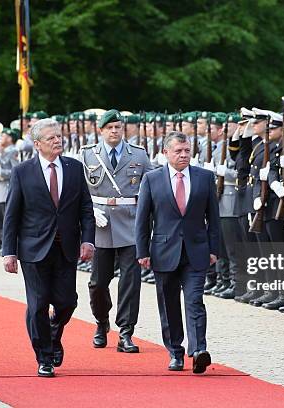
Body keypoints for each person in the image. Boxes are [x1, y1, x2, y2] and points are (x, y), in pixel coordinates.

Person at [2, 118, 95, 378]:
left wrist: (88, 240)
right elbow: (12, 214)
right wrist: (9, 251)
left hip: (66, 248)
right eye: (51, 137)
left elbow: (86, 209)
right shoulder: (23, 171)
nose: (58, 140)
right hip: (33, 249)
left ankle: (53, 333)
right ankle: (44, 357)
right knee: (38, 303)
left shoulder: (75, 168)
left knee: (67, 302)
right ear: (37, 144)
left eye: (59, 136)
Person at [135, 131, 220, 374]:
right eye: (178, 151)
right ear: (166, 153)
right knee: (169, 304)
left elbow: (213, 217)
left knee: (195, 300)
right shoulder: (152, 179)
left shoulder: (204, 177)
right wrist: (142, 251)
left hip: (196, 251)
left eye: (187, 151)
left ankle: (199, 350)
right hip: (163, 251)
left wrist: (214, 249)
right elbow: (143, 220)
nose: (184, 155)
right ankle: (175, 351)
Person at [79, 109, 152, 352]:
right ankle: (101, 322)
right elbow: (78, 192)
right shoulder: (88, 155)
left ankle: (126, 332)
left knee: (130, 282)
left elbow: (151, 188)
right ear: (100, 131)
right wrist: (90, 211)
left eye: (118, 127)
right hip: (100, 225)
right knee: (98, 283)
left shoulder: (139, 155)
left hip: (130, 224)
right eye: (109, 128)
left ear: (124, 129)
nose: (114, 131)